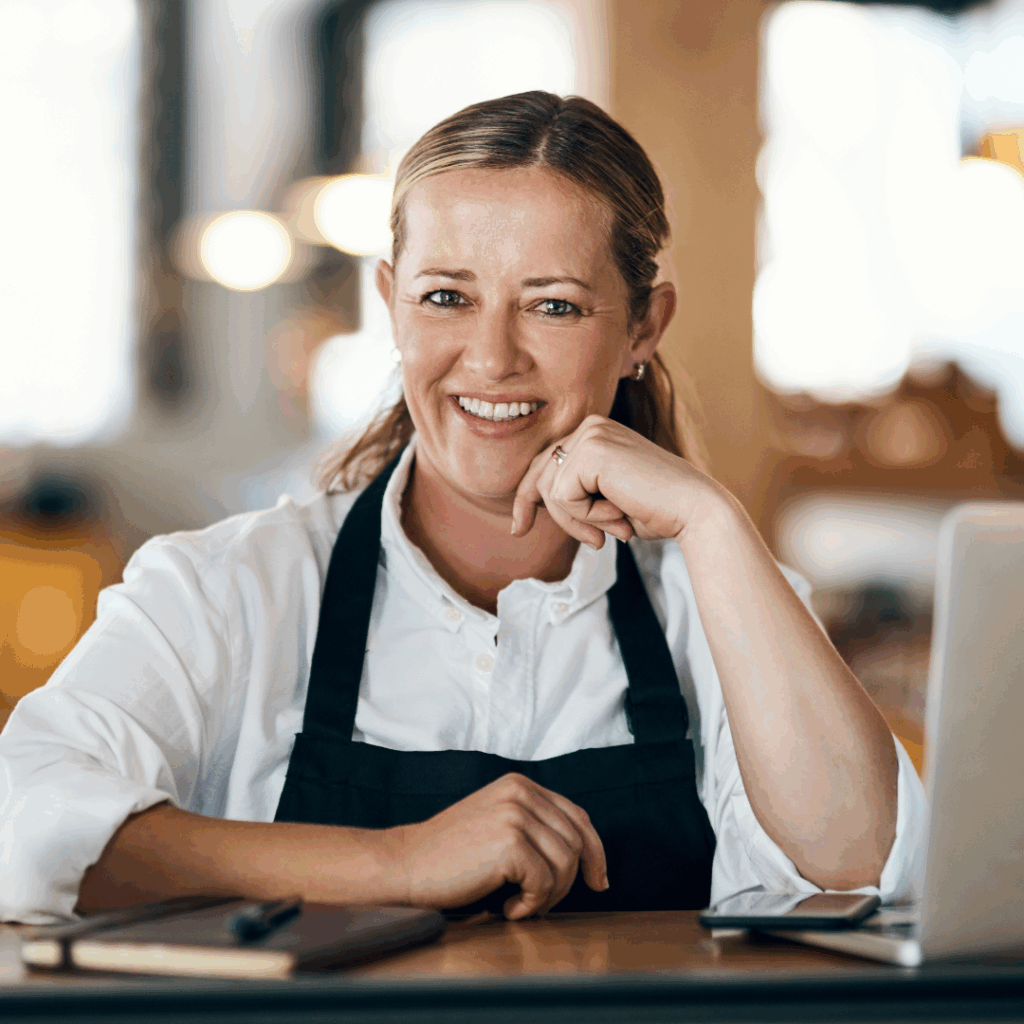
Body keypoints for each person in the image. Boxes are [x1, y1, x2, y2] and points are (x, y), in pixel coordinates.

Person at [0, 92, 923, 925]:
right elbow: (19, 826)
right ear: (390, 305)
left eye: (553, 307)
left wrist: (714, 521)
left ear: (643, 327)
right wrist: (396, 862)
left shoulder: (720, 601)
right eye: (446, 297)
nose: (491, 359)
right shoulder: (229, 591)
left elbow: (867, 873)